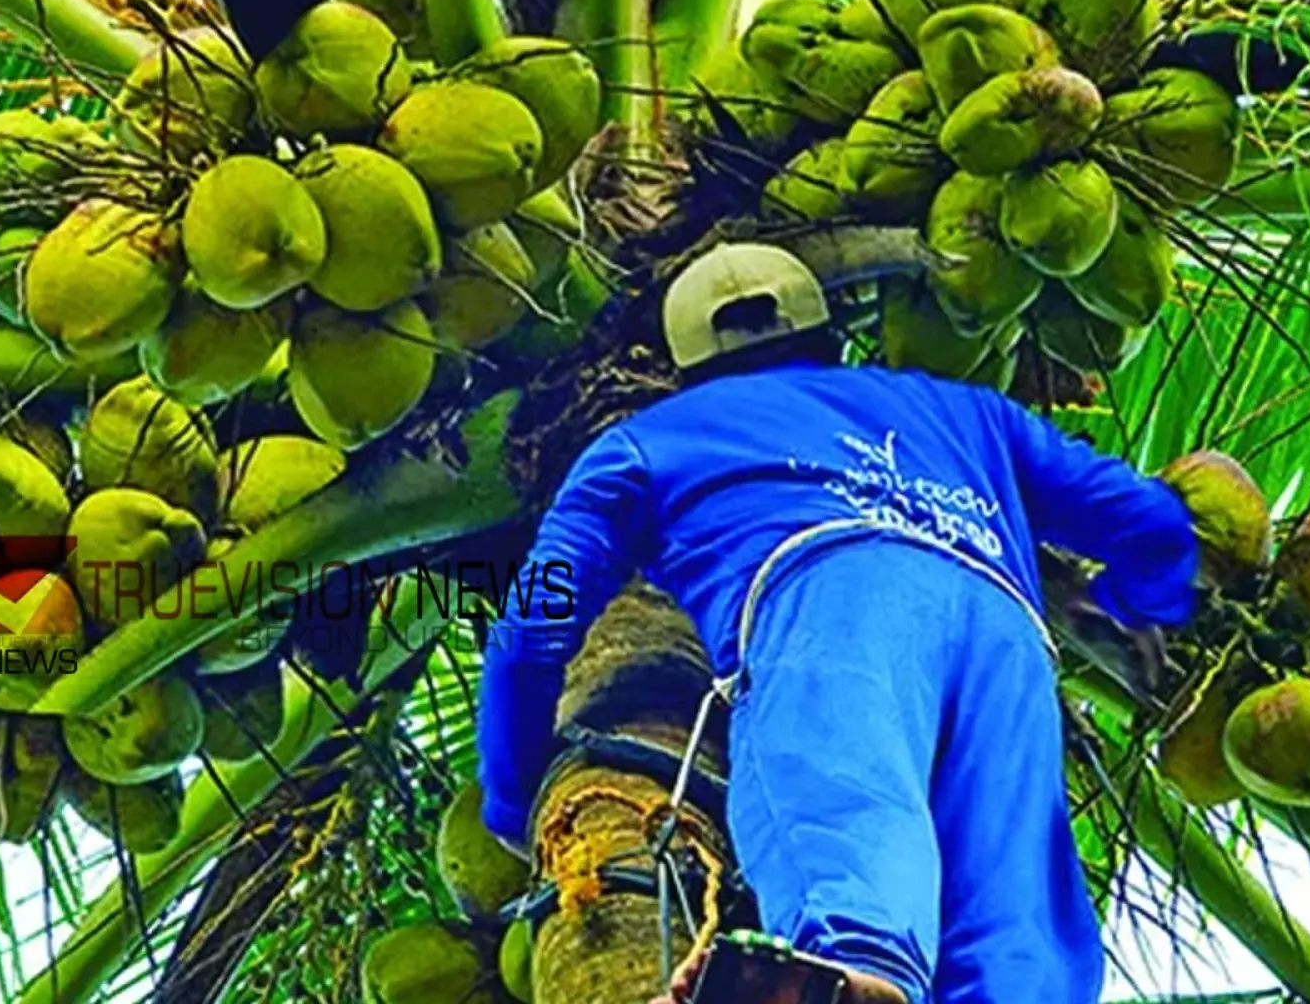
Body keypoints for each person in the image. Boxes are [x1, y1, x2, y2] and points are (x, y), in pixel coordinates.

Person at [475, 244, 1203, 1004]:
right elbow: (1153, 523)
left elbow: (536, 619)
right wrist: (1132, 603)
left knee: (846, 811)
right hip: (1004, 636)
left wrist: (512, 794)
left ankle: (860, 974)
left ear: (684, 366)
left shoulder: (646, 439)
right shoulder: (966, 412)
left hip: (826, 606)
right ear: (829, 337)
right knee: (1010, 917)